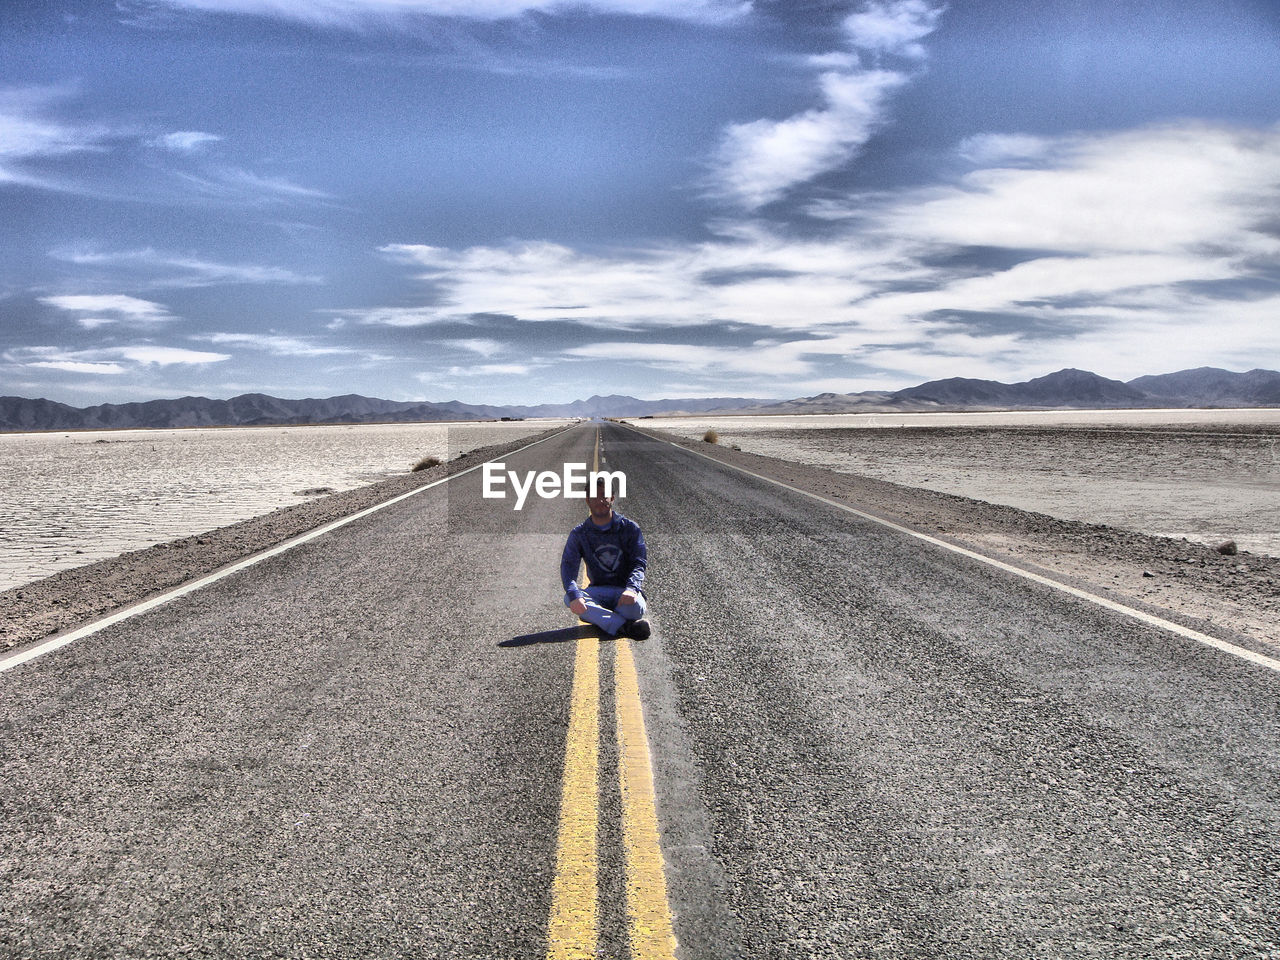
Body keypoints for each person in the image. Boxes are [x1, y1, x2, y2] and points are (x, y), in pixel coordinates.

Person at [561, 479, 651, 640]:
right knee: (570, 598)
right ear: (587, 500)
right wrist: (575, 594)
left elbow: (639, 563)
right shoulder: (579, 534)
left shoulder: (630, 528)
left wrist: (632, 588)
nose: (600, 500)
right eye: (595, 496)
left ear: (612, 498)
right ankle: (625, 626)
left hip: (625, 592)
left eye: (605, 495)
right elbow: (568, 567)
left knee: (635, 608)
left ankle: (598, 617)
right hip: (599, 591)